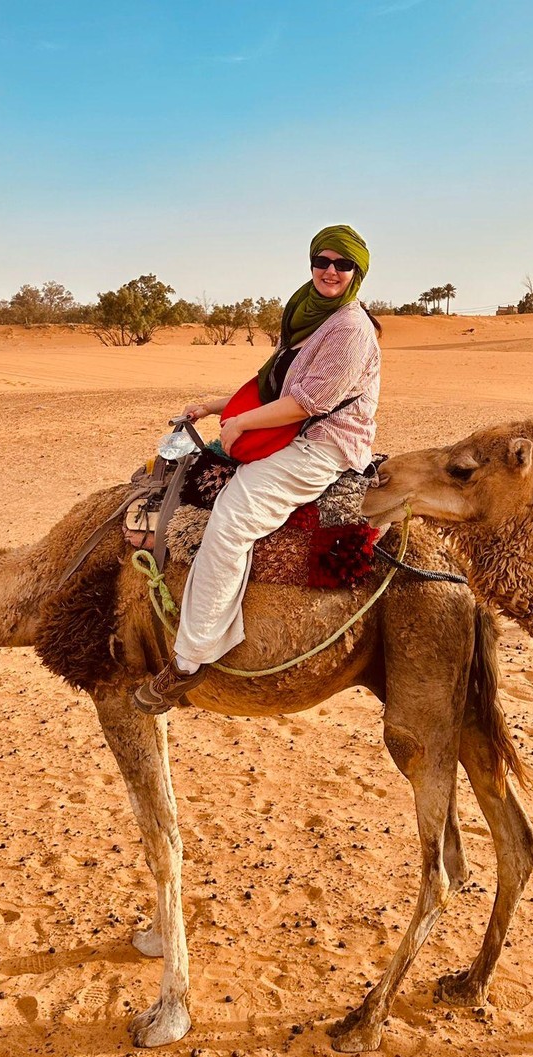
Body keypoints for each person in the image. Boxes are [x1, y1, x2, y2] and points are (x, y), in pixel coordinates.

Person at [133, 224, 382, 713]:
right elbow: (274, 388)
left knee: (230, 520)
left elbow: (307, 402)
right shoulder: (312, 318)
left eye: (342, 265)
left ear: (357, 273)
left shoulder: (350, 330)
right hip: (291, 431)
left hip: (321, 446)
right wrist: (213, 406)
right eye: (323, 261)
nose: (330, 272)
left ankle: (190, 658)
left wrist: (240, 422)